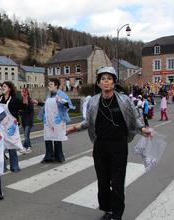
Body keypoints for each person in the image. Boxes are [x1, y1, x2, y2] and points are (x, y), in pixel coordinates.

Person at [67, 67, 151, 220]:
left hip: (119, 146)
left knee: (117, 182)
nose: (106, 81)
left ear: (114, 82)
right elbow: (89, 121)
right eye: (102, 79)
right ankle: (108, 209)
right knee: (103, 182)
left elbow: (135, 117)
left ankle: (116, 215)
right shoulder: (93, 101)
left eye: (109, 78)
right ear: (99, 83)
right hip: (100, 147)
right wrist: (75, 127)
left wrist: (142, 129)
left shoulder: (124, 100)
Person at [40, 78, 75, 163]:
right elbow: (46, 105)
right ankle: (48, 156)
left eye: (51, 84)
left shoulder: (61, 94)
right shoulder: (49, 95)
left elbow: (69, 105)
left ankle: (58, 157)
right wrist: (38, 103)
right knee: (47, 137)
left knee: (57, 138)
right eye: (49, 84)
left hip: (57, 120)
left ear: (56, 85)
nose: (49, 86)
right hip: (48, 120)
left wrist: (64, 103)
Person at [0, 81, 25, 173]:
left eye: (4, 86)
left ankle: (15, 166)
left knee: (12, 146)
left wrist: (25, 99)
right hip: (1, 127)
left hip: (11, 127)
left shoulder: (15, 99)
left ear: (9, 88)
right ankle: (3, 167)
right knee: (0, 147)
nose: (2, 88)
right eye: (2, 86)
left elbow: (24, 107)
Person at [20, 87, 35, 153]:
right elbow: (20, 111)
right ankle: (24, 147)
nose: (22, 93)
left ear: (27, 93)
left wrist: (24, 107)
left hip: (28, 120)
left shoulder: (29, 100)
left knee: (26, 135)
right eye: (21, 92)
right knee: (26, 135)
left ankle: (29, 147)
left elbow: (31, 110)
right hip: (23, 120)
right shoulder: (22, 100)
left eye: (23, 92)